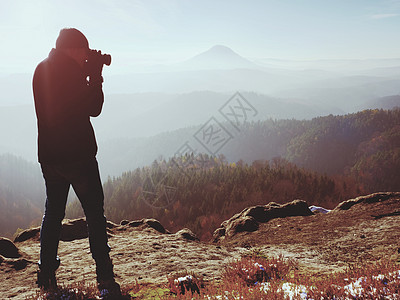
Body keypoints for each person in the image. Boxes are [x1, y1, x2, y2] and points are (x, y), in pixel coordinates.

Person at [32, 28, 120, 297]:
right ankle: (104, 277)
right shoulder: (71, 73)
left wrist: (87, 71)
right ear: (72, 49)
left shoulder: (41, 69)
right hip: (78, 157)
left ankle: (46, 274)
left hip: (50, 157)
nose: (87, 54)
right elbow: (94, 107)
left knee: (54, 213)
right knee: (94, 213)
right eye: (84, 49)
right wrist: (96, 76)